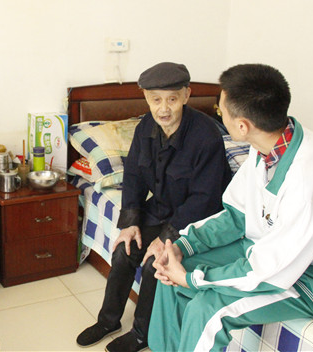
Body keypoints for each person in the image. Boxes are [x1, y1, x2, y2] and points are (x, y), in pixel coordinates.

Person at [148, 63, 313, 352]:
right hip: (276, 246)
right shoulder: (268, 146)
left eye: (221, 111)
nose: (218, 114)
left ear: (242, 126)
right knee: (169, 272)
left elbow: (270, 270)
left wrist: (192, 279)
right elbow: (238, 216)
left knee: (210, 309)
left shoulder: (308, 183)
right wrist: (181, 246)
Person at [76, 62, 232, 352]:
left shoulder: (206, 135)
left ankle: (142, 334)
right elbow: (134, 176)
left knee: (155, 264)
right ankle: (108, 320)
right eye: (156, 100)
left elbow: (205, 198)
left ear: (186, 95)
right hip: (160, 207)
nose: (164, 109)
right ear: (146, 98)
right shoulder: (146, 126)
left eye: (172, 99)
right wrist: (130, 222)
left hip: (197, 218)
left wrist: (164, 238)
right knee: (124, 251)